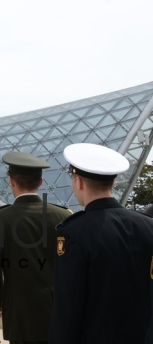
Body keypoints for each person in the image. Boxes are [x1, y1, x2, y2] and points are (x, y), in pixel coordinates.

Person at [48, 143, 153, 343]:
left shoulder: (74, 232)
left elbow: (67, 309)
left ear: (78, 182)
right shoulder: (148, 225)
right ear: (112, 183)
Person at [0, 152, 71, 344]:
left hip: (19, 312)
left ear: (11, 181)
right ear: (41, 182)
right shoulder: (63, 216)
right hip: (58, 310)